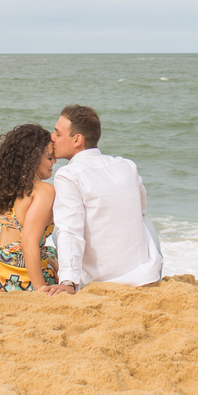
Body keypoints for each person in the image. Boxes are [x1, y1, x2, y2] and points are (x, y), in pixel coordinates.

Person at [44, 105, 164, 296]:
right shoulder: (126, 165)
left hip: (103, 282)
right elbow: (141, 208)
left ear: (77, 140)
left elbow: (70, 231)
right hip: (147, 275)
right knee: (144, 220)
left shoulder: (68, 174)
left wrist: (68, 282)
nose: (52, 137)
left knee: (60, 229)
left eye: (58, 134)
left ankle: (78, 278)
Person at [0, 123, 59, 292]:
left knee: (51, 253)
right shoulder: (43, 190)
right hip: (17, 279)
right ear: (33, 159)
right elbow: (28, 243)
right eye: (49, 157)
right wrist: (40, 288)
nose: (54, 162)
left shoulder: (3, 187)